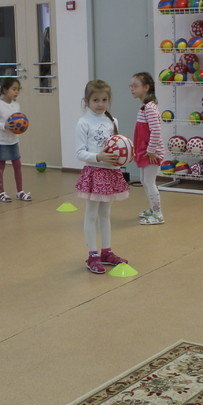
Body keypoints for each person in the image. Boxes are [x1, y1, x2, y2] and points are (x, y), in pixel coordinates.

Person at [75, 80, 129, 274]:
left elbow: (118, 145)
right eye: (95, 100)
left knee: (105, 215)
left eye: (104, 100)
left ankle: (106, 252)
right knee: (91, 215)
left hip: (110, 172)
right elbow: (79, 152)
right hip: (94, 172)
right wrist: (98, 157)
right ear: (86, 101)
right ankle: (93, 255)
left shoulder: (112, 121)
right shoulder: (83, 122)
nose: (100, 104)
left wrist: (123, 158)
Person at [130, 72, 165, 225]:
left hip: (152, 153)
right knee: (144, 180)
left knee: (150, 182)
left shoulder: (150, 108)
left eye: (135, 86)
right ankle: (152, 208)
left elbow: (156, 131)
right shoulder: (144, 107)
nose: (132, 89)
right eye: (131, 86)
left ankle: (158, 214)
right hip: (146, 151)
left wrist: (151, 150)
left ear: (146, 87)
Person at [0, 77, 31, 202]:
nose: (16, 92)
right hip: (1, 141)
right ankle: (1, 193)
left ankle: (20, 191)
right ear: (5, 90)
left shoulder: (16, 105)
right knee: (1, 166)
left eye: (18, 89)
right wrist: (4, 125)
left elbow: (18, 121)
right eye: (14, 89)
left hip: (13, 140)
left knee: (17, 165)